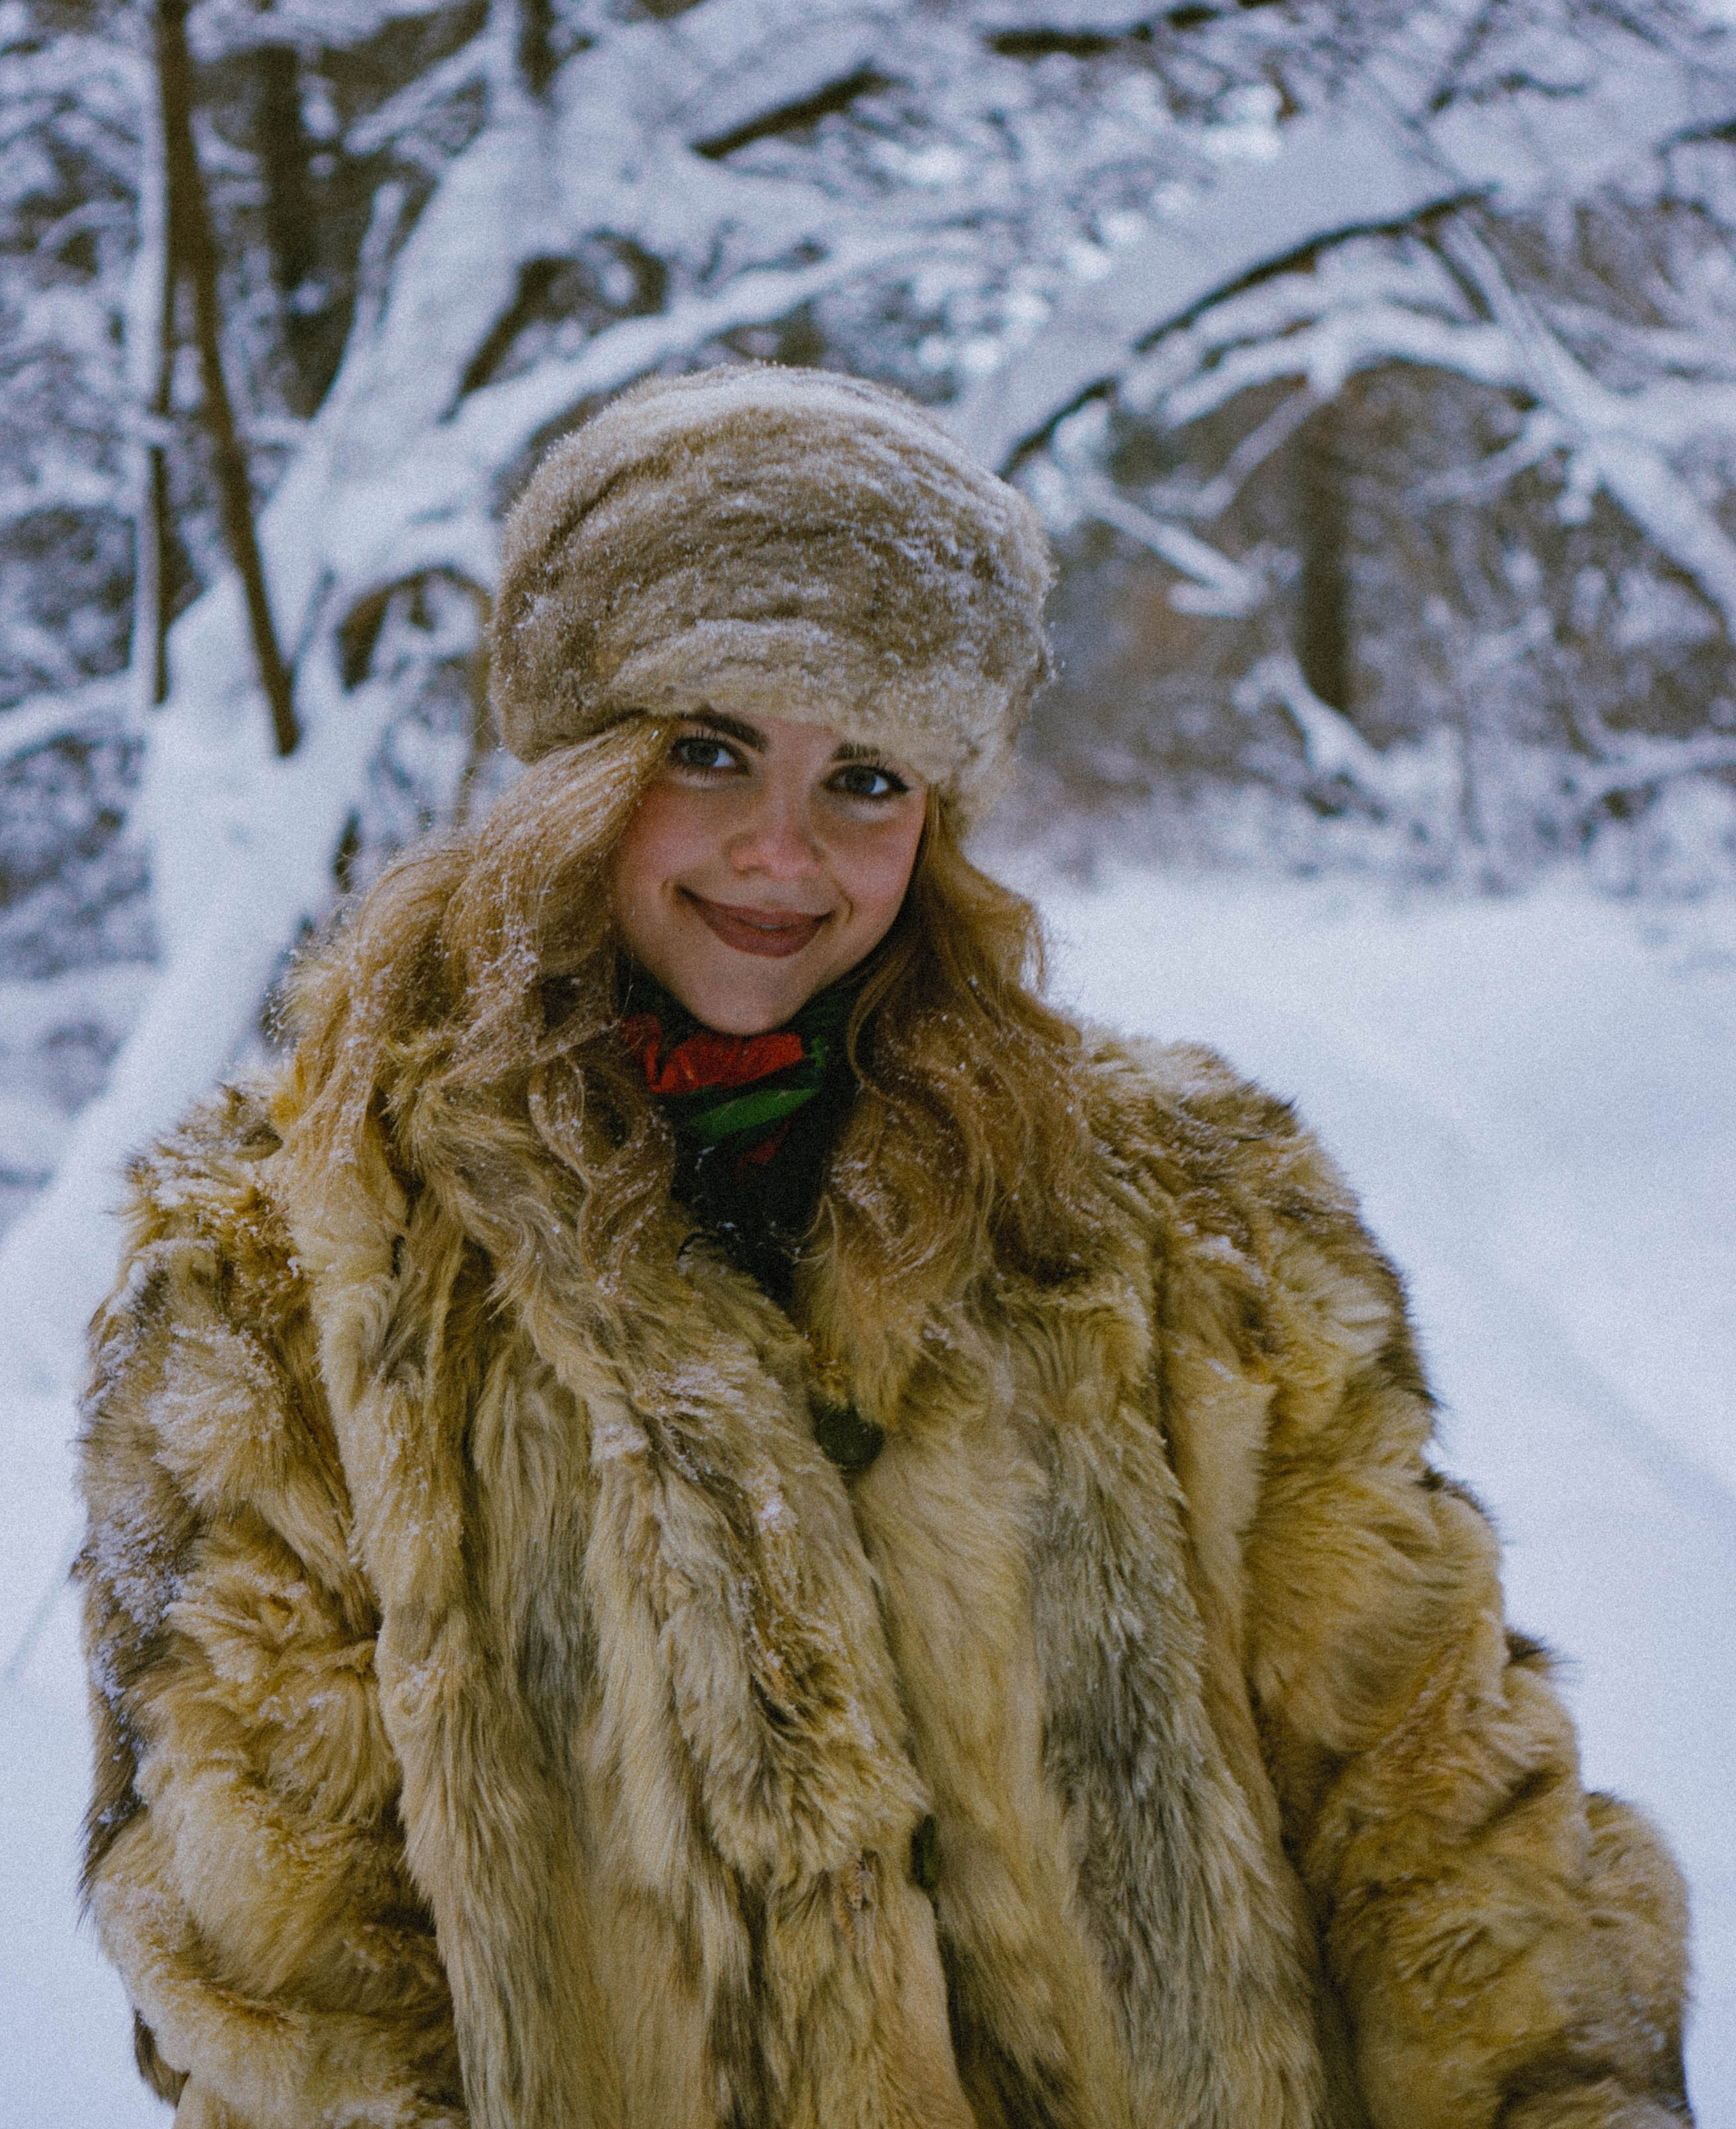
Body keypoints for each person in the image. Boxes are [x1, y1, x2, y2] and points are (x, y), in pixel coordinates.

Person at [77, 364, 1691, 2129]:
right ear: (574, 763)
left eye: (864, 776)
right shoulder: (290, 1263)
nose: (784, 853)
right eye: (708, 749)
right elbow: (282, 1980)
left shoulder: (1188, 1209)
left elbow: (1435, 1805)